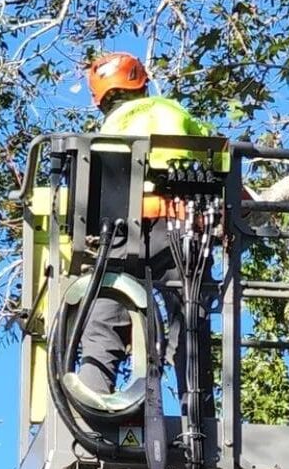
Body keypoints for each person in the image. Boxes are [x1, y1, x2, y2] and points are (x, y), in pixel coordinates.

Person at [76, 52, 213, 403]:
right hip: (182, 230)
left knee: (103, 324)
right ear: (141, 84)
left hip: (124, 236)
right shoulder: (173, 111)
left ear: (100, 98)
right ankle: (196, 414)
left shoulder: (109, 129)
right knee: (188, 324)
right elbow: (218, 159)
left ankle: (93, 407)